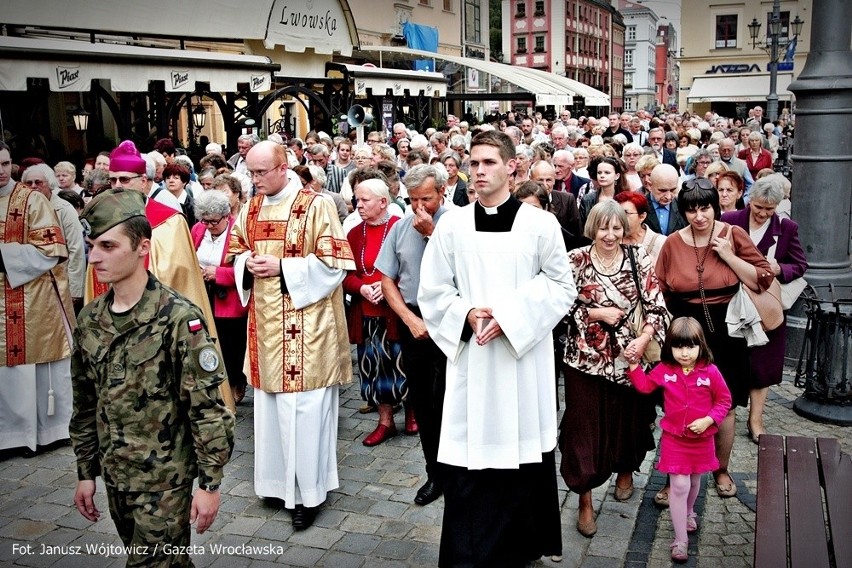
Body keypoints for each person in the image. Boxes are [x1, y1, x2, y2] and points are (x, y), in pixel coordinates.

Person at [418, 131, 577, 566]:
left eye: (489, 162)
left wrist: (509, 317)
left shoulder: (540, 224)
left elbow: (563, 285)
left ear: (512, 167)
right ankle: (468, 554)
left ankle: (523, 546)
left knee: (524, 455)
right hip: (473, 357)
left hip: (522, 359)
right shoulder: (451, 224)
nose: (479, 171)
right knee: (472, 456)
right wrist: (466, 314)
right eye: (474, 163)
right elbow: (432, 290)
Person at [71, 189, 234, 567]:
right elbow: (85, 403)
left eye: (108, 246)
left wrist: (210, 484)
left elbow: (208, 409)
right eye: (92, 245)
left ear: (143, 247)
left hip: (164, 481)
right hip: (116, 475)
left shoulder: (179, 320)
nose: (94, 256)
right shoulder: (92, 320)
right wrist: (86, 472)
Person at [228, 140, 355, 530]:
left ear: (284, 167)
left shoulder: (316, 206)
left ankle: (306, 494)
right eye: (250, 172)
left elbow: (336, 264)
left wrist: (283, 267)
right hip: (264, 328)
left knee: (304, 412)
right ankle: (274, 484)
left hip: (308, 328)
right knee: (269, 409)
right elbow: (236, 251)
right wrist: (245, 264)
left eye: (261, 172)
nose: (255, 179)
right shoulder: (249, 208)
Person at [85, 140, 234, 412]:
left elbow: (184, 283)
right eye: (113, 179)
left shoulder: (169, 222)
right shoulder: (101, 222)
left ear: (144, 182)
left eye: (125, 179)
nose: (117, 185)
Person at [655, 177, 774, 502]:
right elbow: (661, 289)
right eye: (691, 210)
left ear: (715, 206)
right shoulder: (672, 243)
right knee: (679, 405)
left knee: (726, 405)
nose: (699, 216)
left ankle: (721, 470)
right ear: (684, 212)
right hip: (684, 332)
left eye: (705, 208)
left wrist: (729, 256)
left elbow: (763, 278)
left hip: (727, 331)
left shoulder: (732, 235)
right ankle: (674, 476)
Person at [559, 200, 669, 538]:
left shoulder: (638, 258)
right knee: (584, 430)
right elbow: (558, 309)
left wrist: (645, 337)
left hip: (629, 358)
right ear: (593, 227)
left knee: (629, 421)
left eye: (617, 228)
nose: (610, 235)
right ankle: (585, 500)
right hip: (584, 361)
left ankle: (625, 469)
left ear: (625, 228)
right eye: (604, 228)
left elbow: (657, 307)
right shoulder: (574, 260)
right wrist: (594, 314)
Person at [627, 317, 732, 563]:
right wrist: (633, 366)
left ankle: (688, 512)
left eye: (691, 347)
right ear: (670, 347)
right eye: (678, 347)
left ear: (701, 346)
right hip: (675, 439)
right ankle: (680, 540)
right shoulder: (665, 370)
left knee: (695, 481)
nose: (684, 353)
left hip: (701, 439)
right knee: (680, 485)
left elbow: (724, 401)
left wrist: (709, 420)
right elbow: (644, 387)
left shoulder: (710, 372)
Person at [376, 164, 449, 506]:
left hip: (452, 319)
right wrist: (407, 318)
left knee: (449, 399)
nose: (419, 206)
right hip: (414, 320)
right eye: (412, 199)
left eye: (427, 199)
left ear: (443, 194)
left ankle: (459, 471)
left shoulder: (457, 224)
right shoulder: (400, 228)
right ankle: (435, 473)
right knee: (423, 401)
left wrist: (432, 232)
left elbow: (466, 271)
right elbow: (387, 278)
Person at [0, 142, 75, 456]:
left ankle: (47, 432)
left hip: (31, 298)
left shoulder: (30, 200)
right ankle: (9, 434)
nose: (0, 171)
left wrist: (5, 257)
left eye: (4, 164)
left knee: (35, 368)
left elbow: (53, 249)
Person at [721, 176, 807, 443]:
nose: (761, 213)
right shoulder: (731, 219)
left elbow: (800, 264)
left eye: (769, 209)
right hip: (733, 303)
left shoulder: (786, 227)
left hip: (766, 305)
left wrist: (781, 268)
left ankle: (756, 419)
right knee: (730, 359)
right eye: (758, 207)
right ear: (749, 200)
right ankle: (725, 412)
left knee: (763, 365)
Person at [343, 178, 411, 446]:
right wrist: (361, 288)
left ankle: (413, 412)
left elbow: (411, 269)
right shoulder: (353, 234)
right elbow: (345, 274)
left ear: (383, 202)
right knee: (374, 367)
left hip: (397, 311)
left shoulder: (400, 228)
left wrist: (388, 286)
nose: (358, 205)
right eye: (356, 200)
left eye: (364, 200)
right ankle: (385, 421)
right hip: (367, 313)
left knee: (403, 363)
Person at [192, 190, 249, 404]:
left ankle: (236, 381)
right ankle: (215, 384)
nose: (208, 226)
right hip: (204, 296)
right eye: (205, 221)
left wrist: (220, 273)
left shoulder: (238, 232)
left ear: (226, 216)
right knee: (209, 344)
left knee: (232, 347)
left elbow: (247, 268)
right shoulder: (198, 230)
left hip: (230, 300)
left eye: (214, 222)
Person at [21, 164, 86, 314]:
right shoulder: (21, 211)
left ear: (50, 185)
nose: (33, 186)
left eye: (38, 182)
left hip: (62, 283)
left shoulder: (64, 209)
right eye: (28, 183)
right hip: (35, 285)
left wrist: (75, 290)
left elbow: (76, 249)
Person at [579, 156, 631, 229]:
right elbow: (582, 228)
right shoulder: (587, 199)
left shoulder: (627, 199)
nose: (602, 176)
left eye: (607, 173)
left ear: (617, 176)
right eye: (599, 173)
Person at [615, 190, 666, 262]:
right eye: (617, 213)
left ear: (642, 216)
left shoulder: (660, 243)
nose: (620, 217)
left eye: (626, 213)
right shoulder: (609, 240)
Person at [644, 164, 687, 236]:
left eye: (673, 190)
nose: (668, 196)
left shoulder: (683, 207)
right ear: (650, 186)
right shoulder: (639, 208)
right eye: (662, 190)